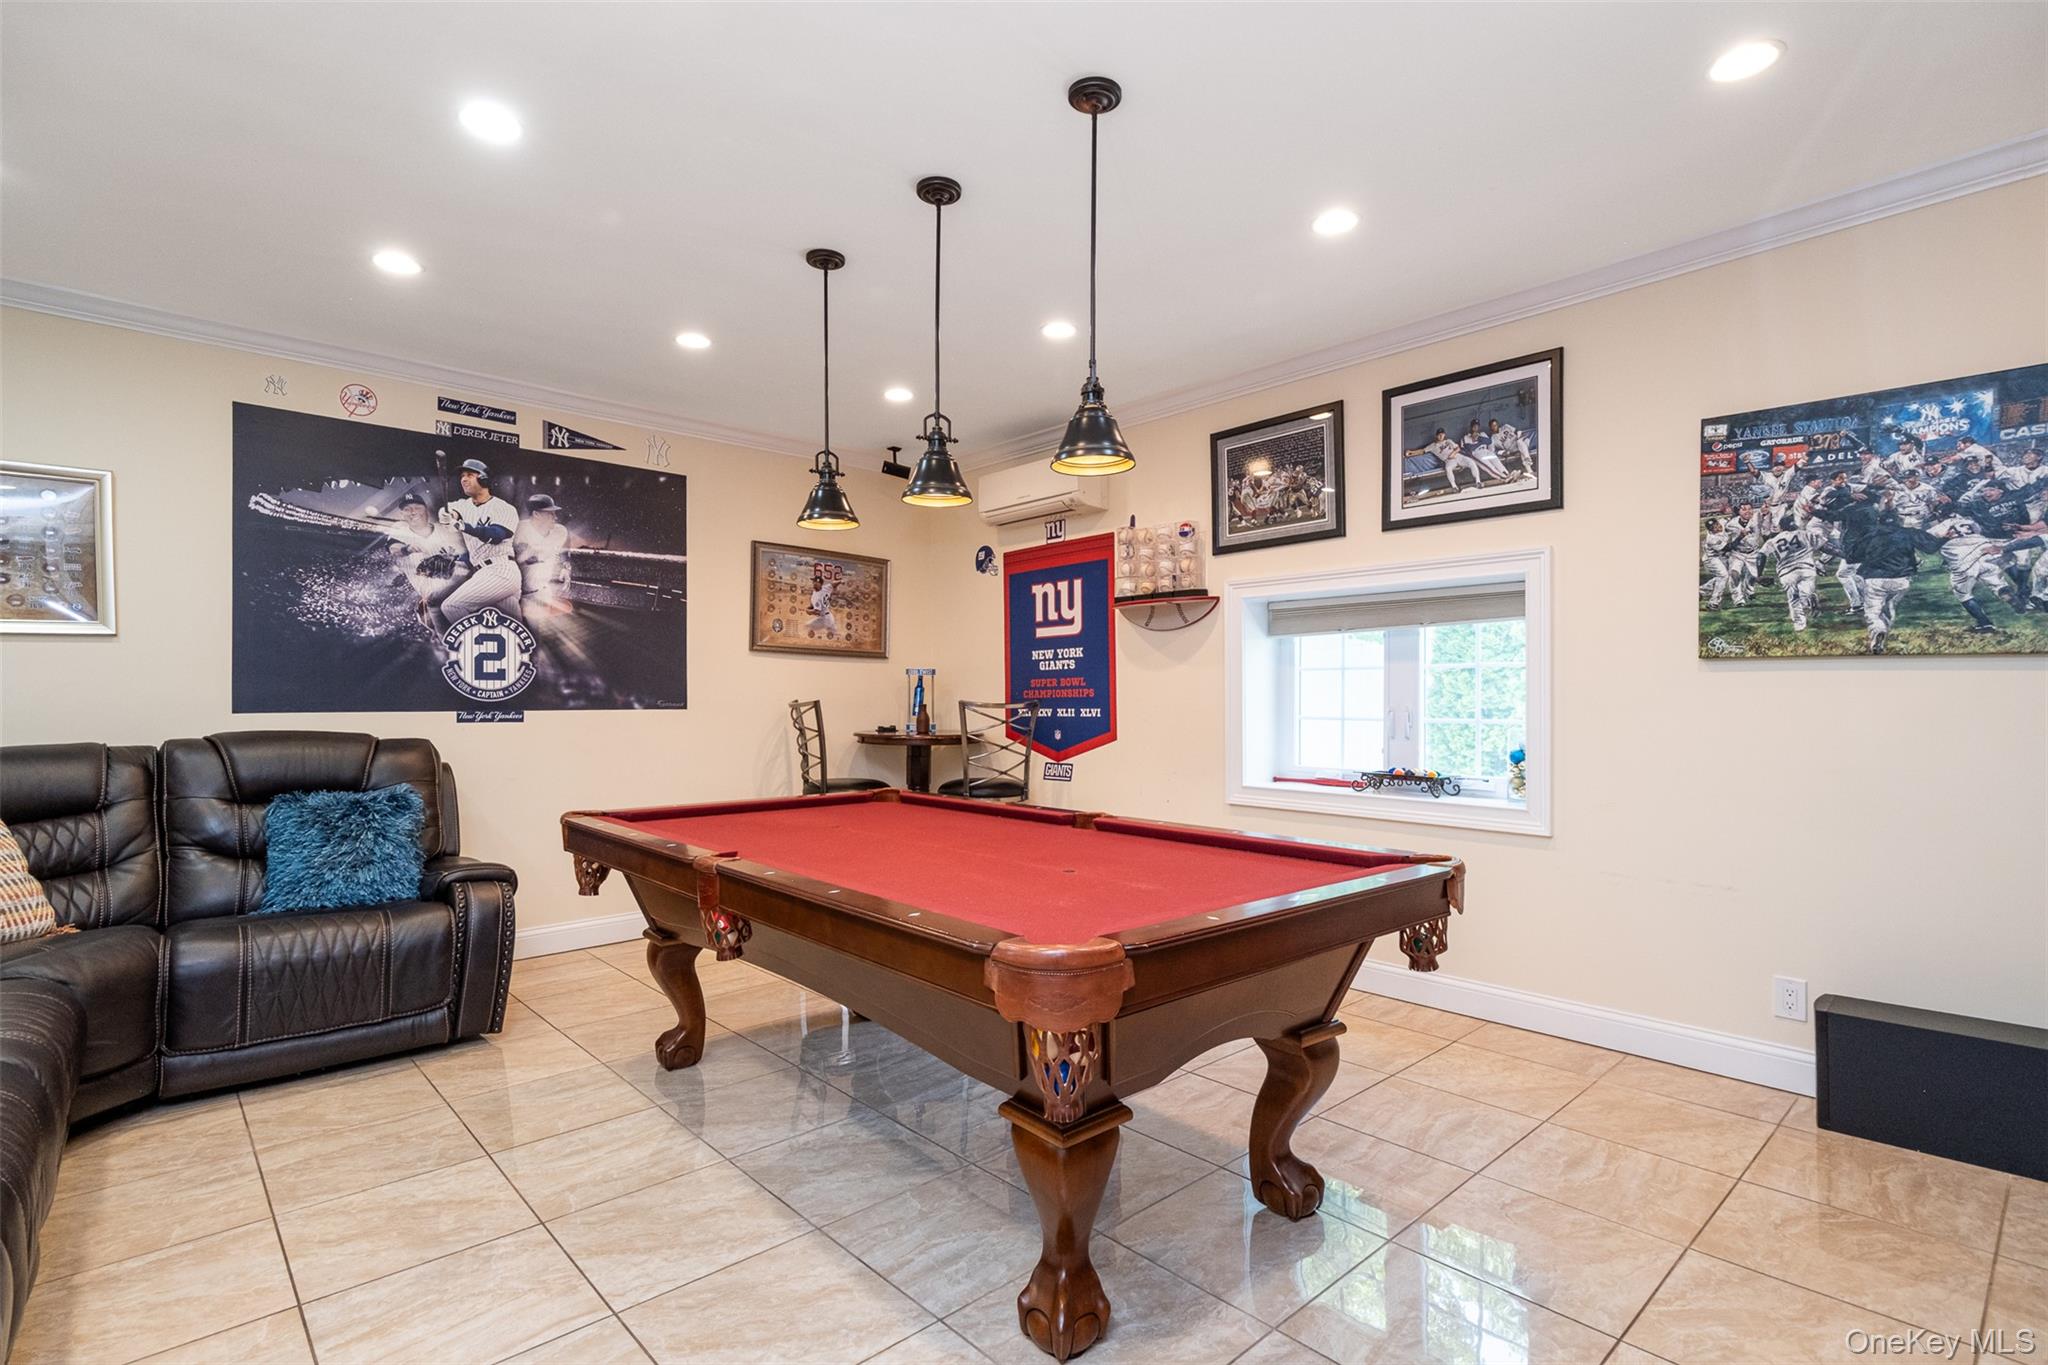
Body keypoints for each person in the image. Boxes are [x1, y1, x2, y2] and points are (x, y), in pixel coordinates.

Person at [435, 457, 522, 627]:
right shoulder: (463, 505)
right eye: (462, 476)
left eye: (469, 475)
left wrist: (461, 525)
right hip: (482, 571)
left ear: (483, 479)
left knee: (452, 606)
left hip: (501, 569)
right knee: (513, 629)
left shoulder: (504, 508)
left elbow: (496, 535)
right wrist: (446, 516)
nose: (463, 479)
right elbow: (451, 511)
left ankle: (470, 640)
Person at [383, 493, 465, 627]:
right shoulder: (400, 533)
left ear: (426, 509)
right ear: (401, 515)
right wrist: (407, 549)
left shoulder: (445, 530)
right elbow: (394, 549)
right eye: (407, 509)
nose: (413, 512)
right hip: (436, 602)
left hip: (464, 591)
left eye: (417, 507)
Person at [514, 493, 572, 610]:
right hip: (519, 594)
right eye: (550, 513)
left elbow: (563, 550)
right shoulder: (519, 529)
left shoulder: (560, 531)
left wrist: (565, 567)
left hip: (543, 592)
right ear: (536, 514)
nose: (555, 517)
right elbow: (525, 558)